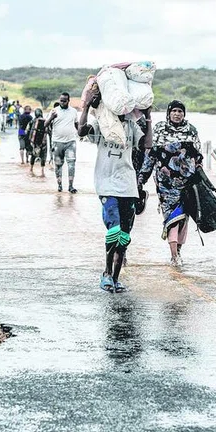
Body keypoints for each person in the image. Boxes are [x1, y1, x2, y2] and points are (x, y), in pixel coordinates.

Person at [79, 87, 148, 293]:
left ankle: (116, 278)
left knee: (124, 236)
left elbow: (147, 144)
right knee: (114, 231)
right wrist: (85, 107)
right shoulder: (102, 124)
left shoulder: (131, 126)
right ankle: (107, 273)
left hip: (128, 185)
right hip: (106, 184)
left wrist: (149, 117)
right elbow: (81, 131)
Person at [138, 100, 202, 267]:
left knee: (183, 219)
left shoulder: (191, 131)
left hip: (186, 183)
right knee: (172, 218)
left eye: (180, 111)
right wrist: (141, 179)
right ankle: (174, 255)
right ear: (168, 112)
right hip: (165, 185)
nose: (177, 114)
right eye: (174, 110)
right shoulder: (159, 129)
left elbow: (198, 157)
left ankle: (178, 250)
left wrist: (200, 179)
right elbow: (150, 155)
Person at [46, 92, 79, 193]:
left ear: (69, 101)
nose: (63, 102)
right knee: (58, 165)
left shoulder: (73, 111)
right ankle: (59, 186)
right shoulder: (54, 111)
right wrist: (52, 117)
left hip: (71, 142)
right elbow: (45, 124)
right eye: (61, 100)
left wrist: (81, 134)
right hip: (57, 142)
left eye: (65, 101)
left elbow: (76, 124)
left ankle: (71, 186)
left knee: (71, 164)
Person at [28, 108, 48, 175]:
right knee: (43, 156)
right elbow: (49, 131)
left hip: (34, 142)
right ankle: (42, 171)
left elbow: (28, 130)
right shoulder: (46, 121)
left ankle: (31, 169)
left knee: (33, 156)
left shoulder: (33, 121)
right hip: (43, 142)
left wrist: (28, 140)